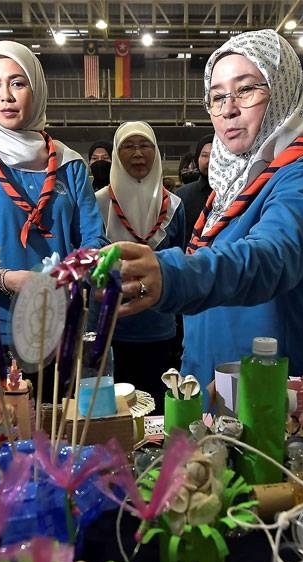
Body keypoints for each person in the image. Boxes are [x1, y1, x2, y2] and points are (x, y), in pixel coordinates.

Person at [111, 29, 303, 392]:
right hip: (207, 379)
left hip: (265, 395)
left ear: (282, 89)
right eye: (217, 97)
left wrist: (171, 274)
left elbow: (269, 257)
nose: (228, 109)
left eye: (246, 90)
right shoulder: (233, 181)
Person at [0, 40, 107, 350]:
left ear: (37, 90)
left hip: (62, 320)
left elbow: (94, 239)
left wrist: (70, 271)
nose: (6, 96)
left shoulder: (68, 162)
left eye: (18, 83)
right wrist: (4, 278)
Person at [96, 122, 186, 405]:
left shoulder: (174, 206)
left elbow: (180, 261)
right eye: (129, 146)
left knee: (158, 408)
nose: (138, 153)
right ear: (116, 153)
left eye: (145, 145)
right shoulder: (98, 204)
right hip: (111, 327)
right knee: (114, 411)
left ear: (156, 152)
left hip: (159, 328)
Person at [175, 134, 214, 231]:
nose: (209, 161)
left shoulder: (235, 193)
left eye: (214, 155)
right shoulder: (182, 195)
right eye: (204, 155)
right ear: (197, 159)